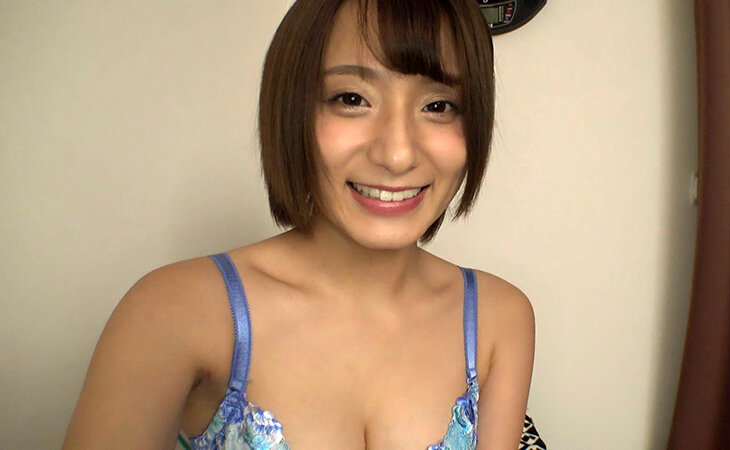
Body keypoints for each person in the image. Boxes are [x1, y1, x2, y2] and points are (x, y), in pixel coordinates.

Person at [63, 0, 537, 448]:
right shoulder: (174, 309)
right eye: (351, 98)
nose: (397, 154)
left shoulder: (499, 320)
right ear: (292, 110)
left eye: (438, 106)